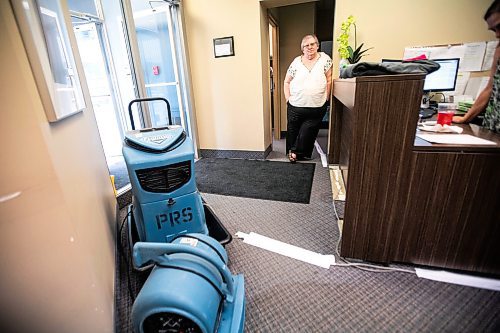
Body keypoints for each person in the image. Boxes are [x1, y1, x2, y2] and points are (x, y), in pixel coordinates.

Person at [452, 0, 500, 133]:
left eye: (499, 27)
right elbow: (490, 88)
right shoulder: (499, 49)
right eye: (493, 30)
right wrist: (466, 118)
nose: (497, 35)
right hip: (495, 124)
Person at [284, 34, 332, 162]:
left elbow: (329, 80)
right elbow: (286, 82)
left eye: (312, 44)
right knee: (293, 130)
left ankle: (298, 153)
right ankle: (292, 152)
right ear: (302, 48)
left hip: (317, 105)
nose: (309, 47)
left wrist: (327, 98)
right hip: (295, 105)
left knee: (308, 131)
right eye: (306, 45)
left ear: (317, 45)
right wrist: (288, 99)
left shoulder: (325, 59)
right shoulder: (296, 62)